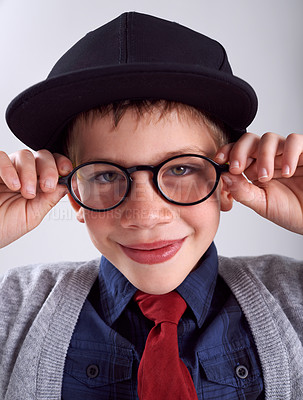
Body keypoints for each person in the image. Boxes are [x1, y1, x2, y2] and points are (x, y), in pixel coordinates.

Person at [0, 11, 302, 400]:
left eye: (180, 168)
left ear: (228, 183)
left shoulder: (292, 295)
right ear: (72, 194)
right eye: (106, 175)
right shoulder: (17, 307)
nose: (144, 216)